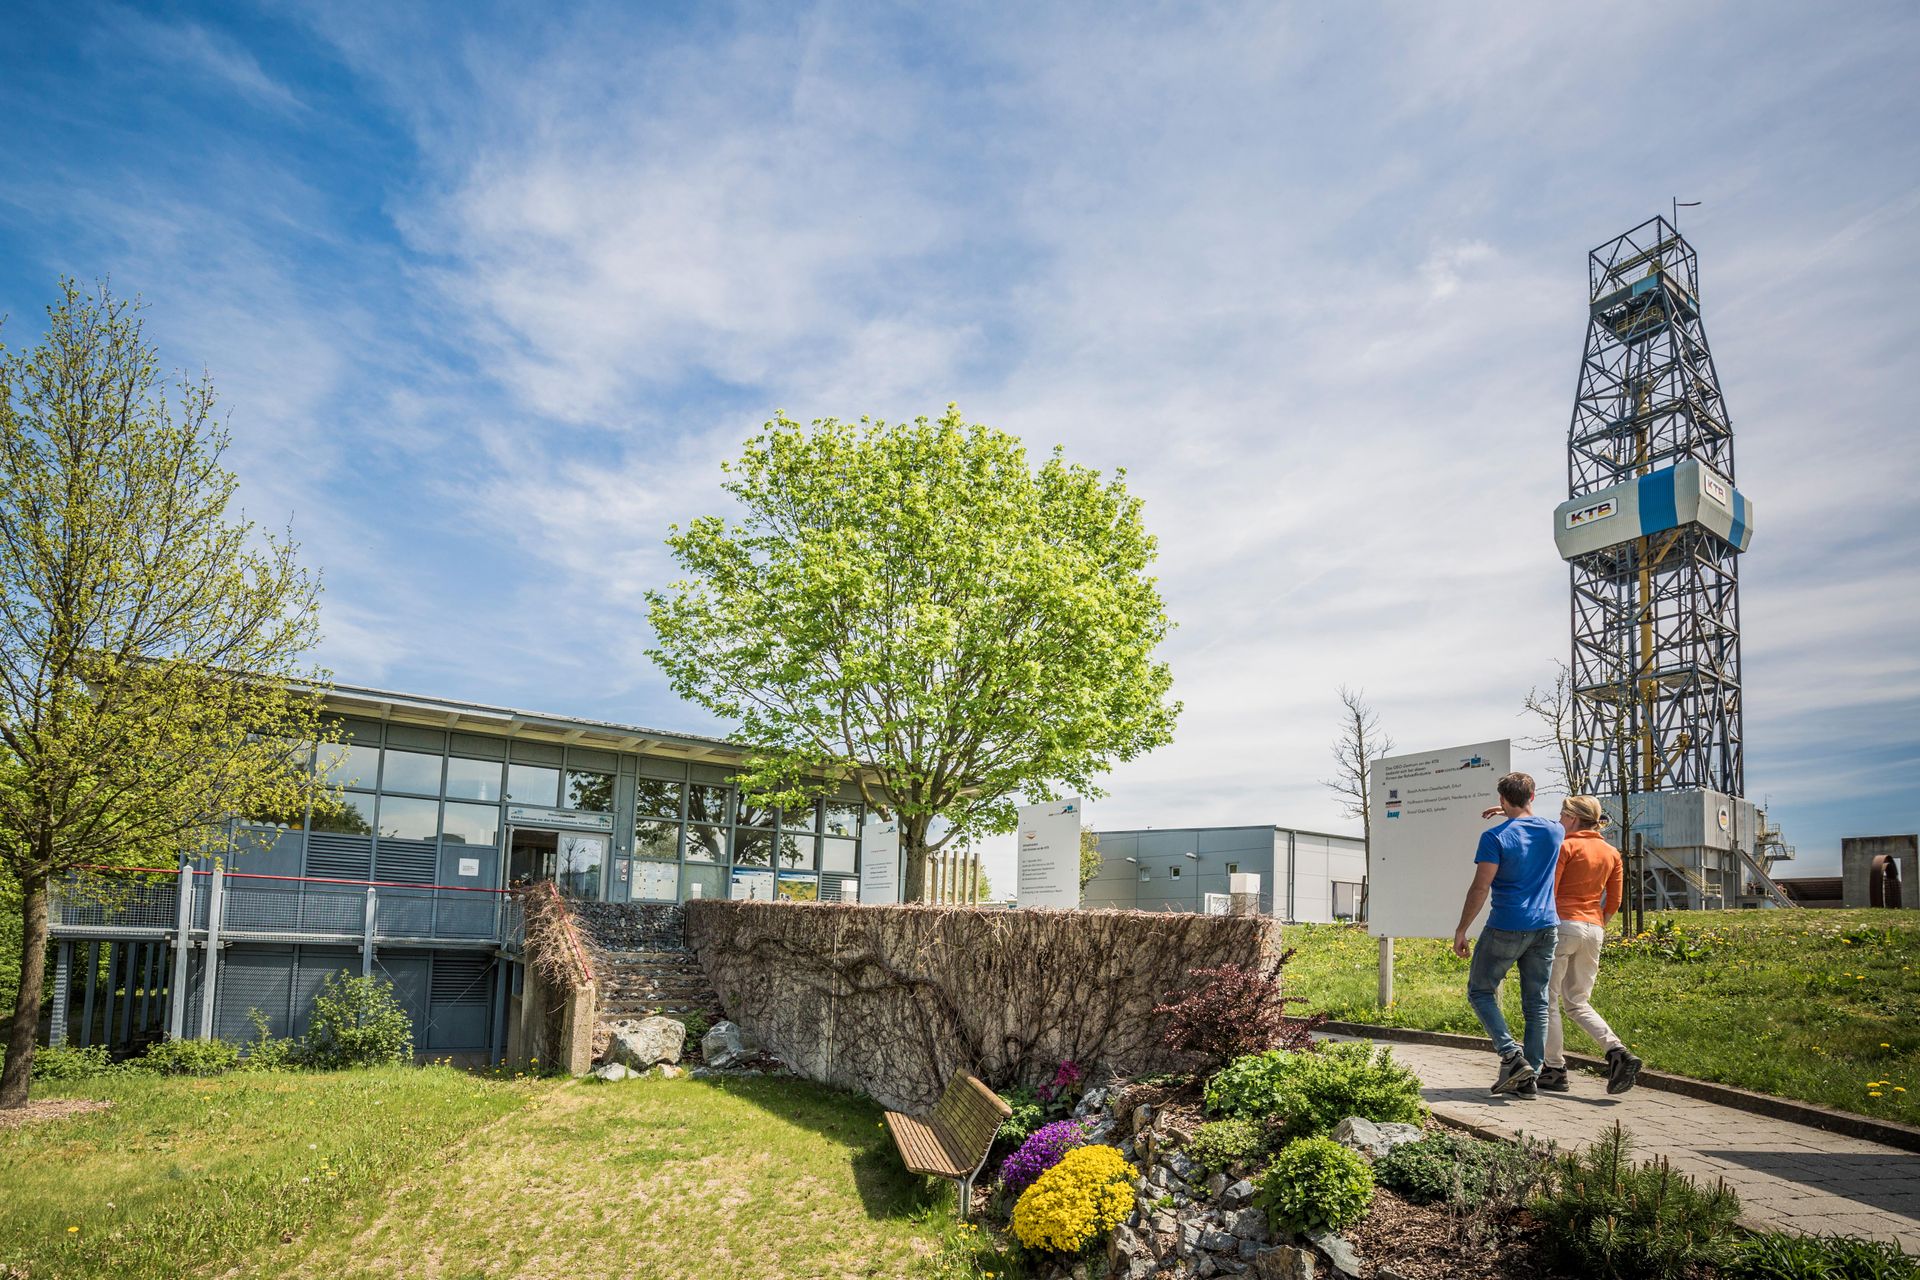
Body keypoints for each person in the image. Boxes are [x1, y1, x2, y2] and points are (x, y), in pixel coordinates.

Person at [1453, 771, 1561, 1098]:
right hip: (1546, 927)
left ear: (1502, 799)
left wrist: (1462, 930)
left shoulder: (1495, 838)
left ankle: (1511, 1054)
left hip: (1507, 925)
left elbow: (1480, 888)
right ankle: (1530, 1079)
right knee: (1536, 1002)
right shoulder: (1555, 831)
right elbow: (1529, 824)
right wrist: (1512, 810)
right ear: (1534, 795)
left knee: (1480, 991)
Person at [1538, 795, 1642, 1095]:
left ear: (1572, 818)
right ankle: (1617, 1052)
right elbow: (1616, 899)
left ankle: (1554, 1070)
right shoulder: (1612, 853)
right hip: (1594, 927)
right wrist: (1597, 923)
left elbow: (1550, 891)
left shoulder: (1566, 846)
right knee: (1578, 1001)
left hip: (1562, 924)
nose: (1559, 820)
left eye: (1561, 814)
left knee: (1548, 1002)